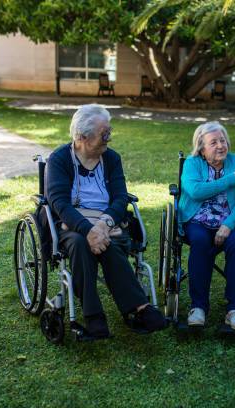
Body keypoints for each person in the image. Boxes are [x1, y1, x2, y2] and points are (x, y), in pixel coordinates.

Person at [46, 104, 167, 339]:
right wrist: (87, 229)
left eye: (109, 131)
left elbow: (121, 197)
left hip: (108, 223)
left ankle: (137, 309)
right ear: (82, 137)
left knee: (108, 244)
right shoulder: (60, 159)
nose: (109, 138)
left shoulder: (111, 159)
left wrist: (103, 225)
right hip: (71, 224)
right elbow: (59, 202)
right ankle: (95, 316)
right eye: (104, 133)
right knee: (81, 244)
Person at [178, 122, 235, 330]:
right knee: (200, 241)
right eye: (214, 142)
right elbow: (195, 191)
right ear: (202, 148)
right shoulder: (192, 164)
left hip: (228, 222)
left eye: (223, 140)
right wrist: (229, 180)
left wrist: (229, 225)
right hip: (197, 220)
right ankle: (198, 307)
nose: (221, 145)